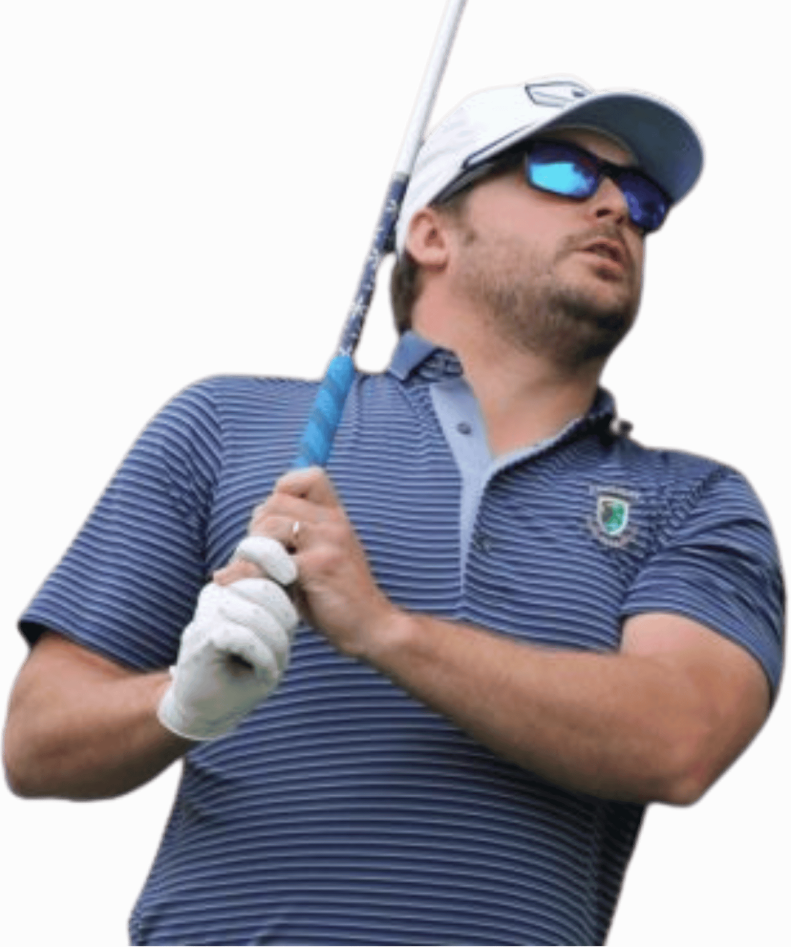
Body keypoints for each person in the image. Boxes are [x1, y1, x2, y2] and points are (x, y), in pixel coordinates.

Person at [2, 71, 785, 947]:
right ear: (429, 231)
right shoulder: (225, 423)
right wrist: (182, 704)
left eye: (640, 201)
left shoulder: (695, 500)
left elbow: (678, 739)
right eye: (561, 171)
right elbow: (34, 743)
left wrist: (383, 629)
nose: (614, 208)